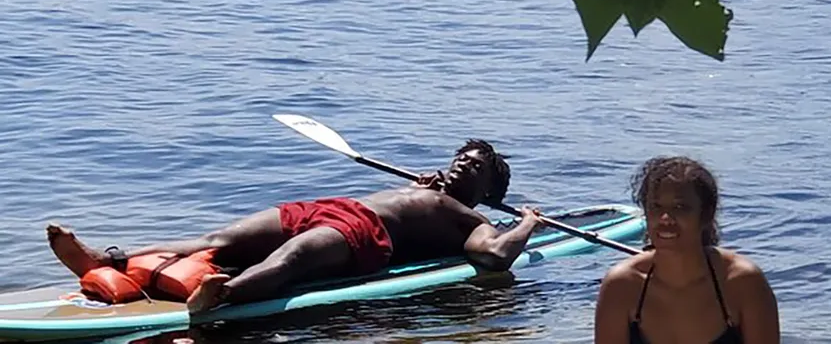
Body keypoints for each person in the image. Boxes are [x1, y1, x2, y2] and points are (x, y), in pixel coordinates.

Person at [45, 139, 543, 313]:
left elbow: (493, 256)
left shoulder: (472, 219)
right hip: (329, 207)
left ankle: (223, 295)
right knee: (214, 239)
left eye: (474, 166)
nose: (461, 165)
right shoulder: (429, 187)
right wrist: (423, 190)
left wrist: (525, 224)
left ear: (488, 192)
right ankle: (107, 260)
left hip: (364, 235)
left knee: (291, 261)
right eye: (460, 156)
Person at [593, 156, 780, 344]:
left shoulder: (743, 282)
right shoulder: (622, 285)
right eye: (656, 207)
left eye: (680, 207)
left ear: (706, 214)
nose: (665, 218)